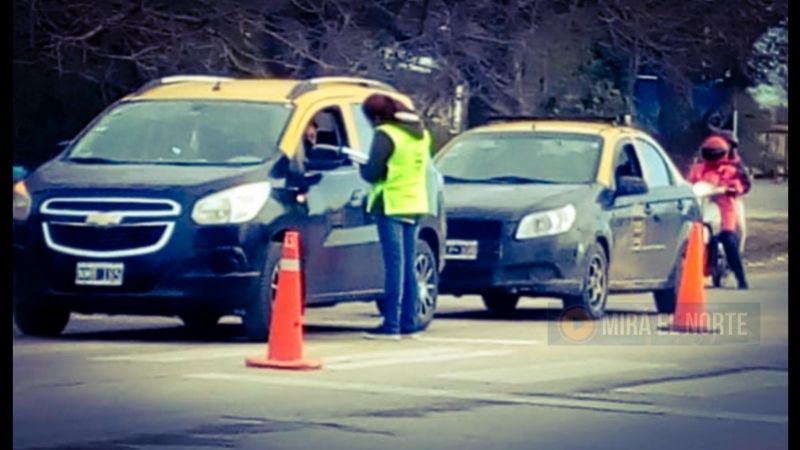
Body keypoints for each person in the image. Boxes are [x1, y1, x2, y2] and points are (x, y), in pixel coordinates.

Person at [358, 94, 436, 340]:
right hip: (414, 203)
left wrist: (362, 166)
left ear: (378, 117)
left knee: (394, 266)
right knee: (408, 266)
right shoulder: (421, 134)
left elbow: (373, 172)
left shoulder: (386, 134)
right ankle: (409, 323)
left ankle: (390, 324)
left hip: (390, 203)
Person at [687, 135, 750, 289]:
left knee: (729, 240)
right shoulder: (698, 168)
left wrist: (732, 188)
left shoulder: (730, 169)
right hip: (703, 206)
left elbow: (739, 183)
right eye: (708, 152)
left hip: (724, 210)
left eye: (715, 152)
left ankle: (741, 277)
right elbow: (689, 182)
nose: (711, 155)